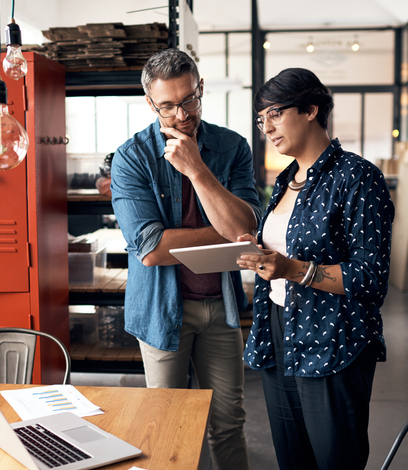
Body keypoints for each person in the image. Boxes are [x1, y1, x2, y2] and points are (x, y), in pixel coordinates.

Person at [236, 68, 395, 470]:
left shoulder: (358, 177)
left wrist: (291, 268)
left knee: (335, 459)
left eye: (274, 113)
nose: (266, 127)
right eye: (261, 119)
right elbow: (285, 249)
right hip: (278, 327)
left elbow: (370, 277)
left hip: (333, 337)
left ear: (310, 109)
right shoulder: (286, 179)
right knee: (293, 459)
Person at [110, 48, 261, 470]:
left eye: (189, 99)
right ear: (150, 104)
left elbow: (247, 230)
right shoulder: (133, 157)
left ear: (200, 90)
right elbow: (151, 250)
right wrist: (224, 231)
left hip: (221, 308)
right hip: (162, 311)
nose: (181, 114)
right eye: (168, 105)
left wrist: (198, 171)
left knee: (229, 423)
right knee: (166, 424)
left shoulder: (231, 148)